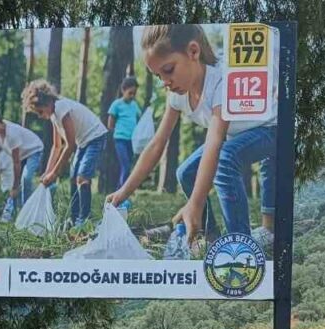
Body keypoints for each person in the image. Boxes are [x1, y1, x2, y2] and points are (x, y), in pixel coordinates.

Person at [106, 24, 276, 251]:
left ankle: (240, 247)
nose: (164, 82)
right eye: (158, 75)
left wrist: (195, 204)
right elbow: (157, 144)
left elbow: (214, 142)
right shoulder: (176, 96)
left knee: (225, 158)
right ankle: (211, 237)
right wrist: (123, 191)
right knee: (185, 172)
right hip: (236, 134)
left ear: (193, 52)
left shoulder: (221, 81)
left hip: (270, 129)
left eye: (168, 70)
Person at [22, 79, 109, 229]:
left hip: (95, 137)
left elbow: (70, 145)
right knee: (73, 178)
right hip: (83, 142)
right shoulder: (54, 115)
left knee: (82, 177)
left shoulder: (61, 107)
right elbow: (57, 146)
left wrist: (55, 173)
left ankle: (84, 219)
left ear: (47, 102)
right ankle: (74, 219)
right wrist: (47, 172)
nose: (40, 116)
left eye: (40, 112)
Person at [0, 102, 45, 220]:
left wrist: (15, 187)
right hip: (21, 156)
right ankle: (8, 215)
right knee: (15, 186)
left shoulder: (12, 134)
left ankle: (27, 213)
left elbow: (16, 162)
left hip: (34, 151)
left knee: (26, 178)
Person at [106, 76, 143, 202]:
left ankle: (120, 193)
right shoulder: (117, 104)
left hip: (131, 141)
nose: (132, 96)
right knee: (125, 166)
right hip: (120, 139)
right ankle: (120, 195)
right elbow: (110, 123)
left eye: (134, 93)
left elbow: (140, 118)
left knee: (128, 167)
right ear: (123, 90)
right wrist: (117, 132)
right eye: (130, 93)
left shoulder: (134, 105)